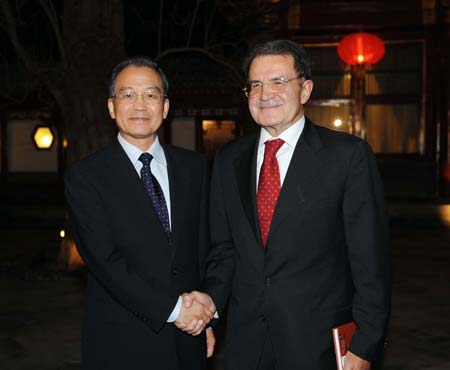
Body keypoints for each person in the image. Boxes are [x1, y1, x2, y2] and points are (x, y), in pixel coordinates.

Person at [187, 40, 391, 370]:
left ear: (306, 89)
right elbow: (224, 251)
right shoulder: (228, 160)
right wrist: (209, 311)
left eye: (278, 81)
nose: (265, 93)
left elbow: (370, 260)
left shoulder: (347, 156)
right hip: (245, 343)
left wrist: (365, 345)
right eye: (255, 84)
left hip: (318, 343)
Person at [65, 56, 216, 370]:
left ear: (164, 106)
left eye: (151, 94)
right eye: (128, 95)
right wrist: (176, 310)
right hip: (122, 340)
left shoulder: (195, 168)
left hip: (190, 335)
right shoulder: (86, 176)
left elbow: (206, 248)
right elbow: (105, 262)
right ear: (111, 106)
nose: (140, 105)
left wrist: (207, 314)